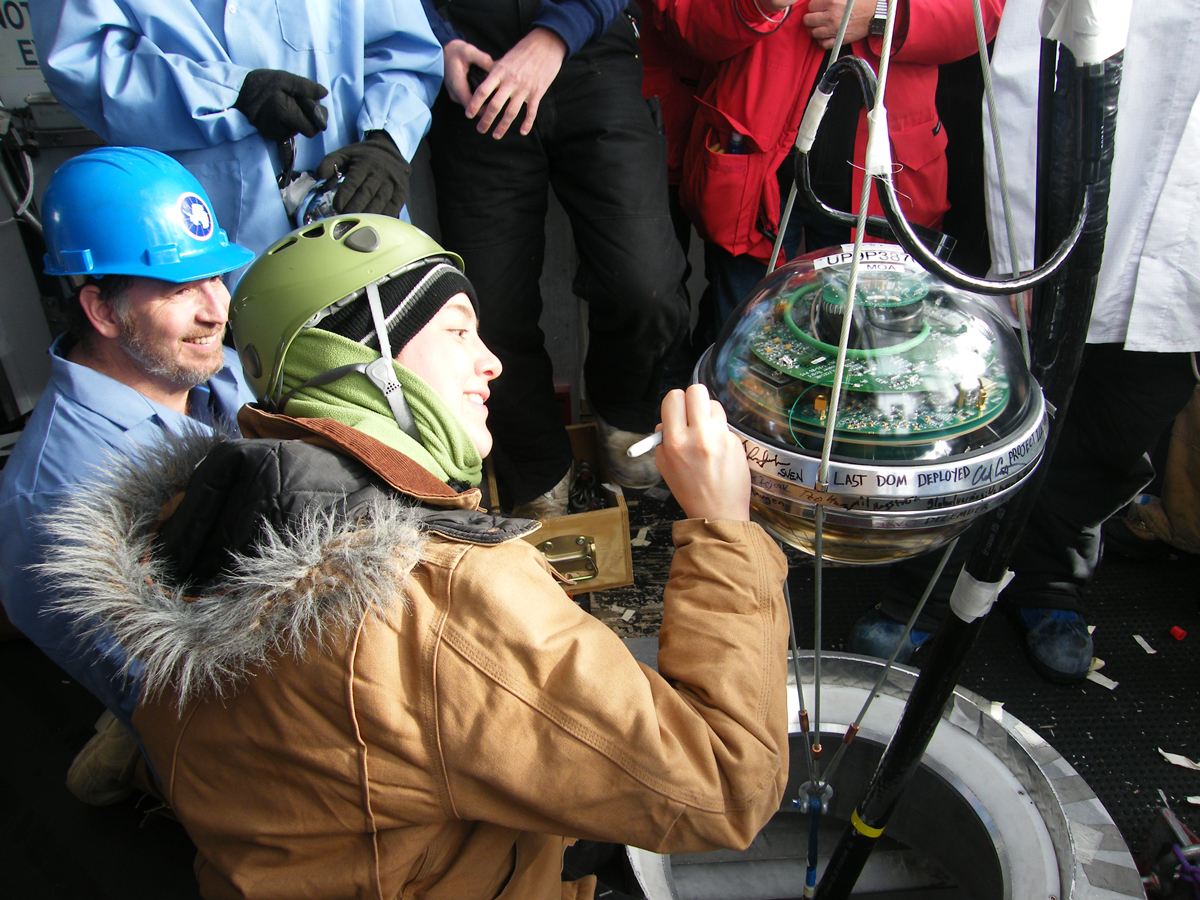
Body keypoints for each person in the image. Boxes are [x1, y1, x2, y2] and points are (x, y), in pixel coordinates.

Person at [35, 214, 791, 899]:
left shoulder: (199, 513)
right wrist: (723, 527)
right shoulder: (440, 596)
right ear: (358, 358)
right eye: (459, 331)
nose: (492, 362)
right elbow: (725, 786)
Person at [848, 0, 1200, 683]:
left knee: (1122, 414)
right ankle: (928, 576)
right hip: (1070, 116)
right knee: (975, 392)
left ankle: (1049, 574)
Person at [0, 147, 256, 796]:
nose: (216, 310)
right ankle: (141, 769)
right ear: (103, 312)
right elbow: (177, 695)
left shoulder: (207, 365)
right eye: (179, 289)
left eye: (216, 277)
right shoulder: (59, 502)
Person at [420, 0, 690, 515]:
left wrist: (554, 37)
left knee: (645, 283)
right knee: (489, 309)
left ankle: (624, 413)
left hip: (591, 57)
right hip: (473, 79)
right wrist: (435, 39)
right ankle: (538, 466)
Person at [651, 0, 1002, 342]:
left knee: (872, 372)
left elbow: (983, 12)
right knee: (745, 369)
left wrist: (881, 14)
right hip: (754, 182)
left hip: (884, 181)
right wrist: (754, 5)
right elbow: (679, 18)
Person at [31, 0, 443, 264]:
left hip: (360, 214)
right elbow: (83, 60)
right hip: (210, 236)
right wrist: (230, 94)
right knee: (243, 385)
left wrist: (387, 140)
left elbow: (403, 51)